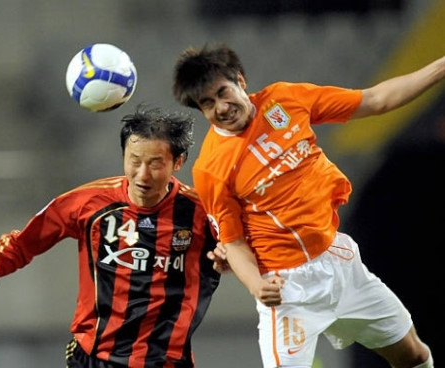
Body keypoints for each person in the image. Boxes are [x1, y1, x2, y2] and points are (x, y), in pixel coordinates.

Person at [172, 43, 444, 368]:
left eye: (223, 92)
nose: (222, 107)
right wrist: (258, 285)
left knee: (412, 354)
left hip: (339, 262)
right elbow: (232, 243)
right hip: (289, 289)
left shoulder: (286, 99)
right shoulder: (211, 168)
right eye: (208, 103)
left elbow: (375, 100)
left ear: (240, 80)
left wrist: (440, 67)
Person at [0, 105, 221, 368]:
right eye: (135, 161)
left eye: (155, 164)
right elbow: (24, 240)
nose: (142, 174)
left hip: (166, 361)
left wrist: (232, 262)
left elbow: (243, 247)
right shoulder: (89, 202)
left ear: (178, 162)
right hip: (93, 358)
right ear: (123, 156)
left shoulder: (202, 211)